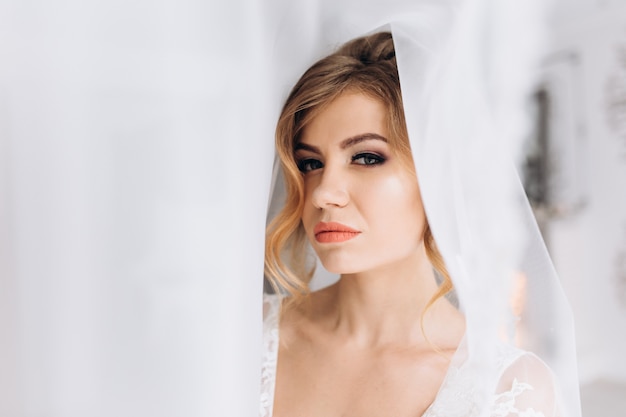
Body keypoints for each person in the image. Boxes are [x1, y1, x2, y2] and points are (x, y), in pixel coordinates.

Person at [261, 31, 568, 417]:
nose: (323, 193)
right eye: (310, 163)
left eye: (366, 157)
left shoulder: (509, 390)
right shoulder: (249, 335)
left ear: (439, 178)